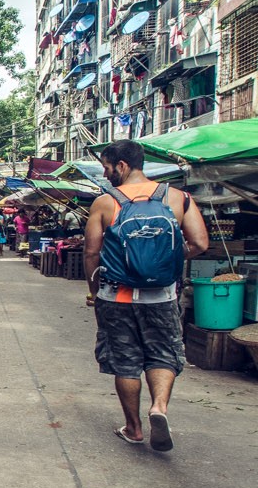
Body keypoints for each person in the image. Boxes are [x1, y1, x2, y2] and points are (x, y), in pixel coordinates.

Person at [84, 139, 209, 451]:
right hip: (162, 297)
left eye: (107, 168)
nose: (106, 174)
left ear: (122, 166)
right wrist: (164, 262)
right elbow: (200, 244)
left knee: (125, 361)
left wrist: (93, 290)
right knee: (163, 354)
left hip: (117, 297)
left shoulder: (104, 203)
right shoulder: (177, 198)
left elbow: (91, 252)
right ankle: (159, 408)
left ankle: (134, 427)